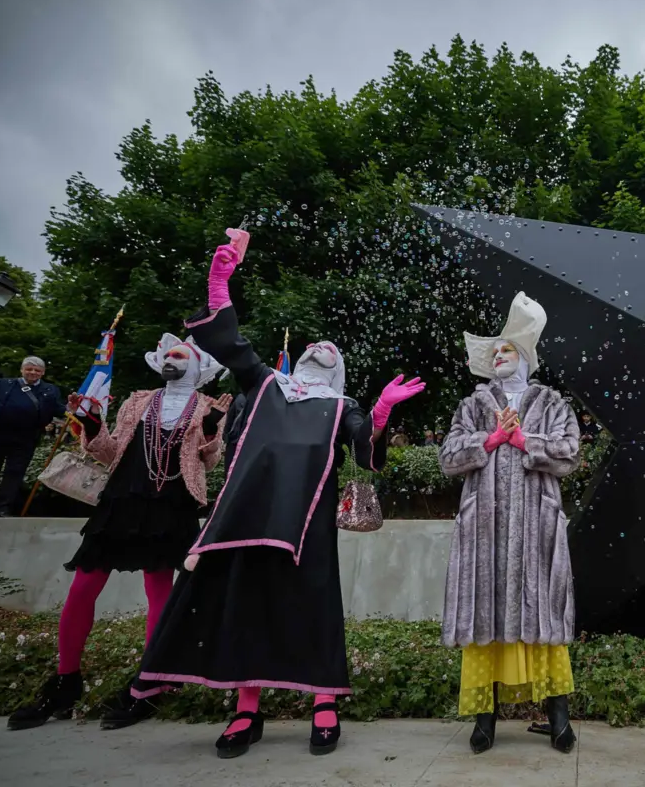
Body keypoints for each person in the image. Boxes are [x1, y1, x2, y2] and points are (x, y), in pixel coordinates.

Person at [130, 232, 425, 759]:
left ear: (338, 372)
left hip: (305, 523)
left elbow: (366, 450)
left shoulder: (341, 406)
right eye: (316, 345)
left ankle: (324, 703)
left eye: (329, 352)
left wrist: (379, 414)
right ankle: (246, 711)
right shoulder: (266, 384)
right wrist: (220, 282)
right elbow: (231, 346)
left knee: (312, 607)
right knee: (246, 608)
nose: (320, 348)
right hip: (247, 515)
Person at [6, 335, 229, 731]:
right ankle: (65, 679)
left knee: (158, 589)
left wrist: (210, 431)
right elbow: (109, 451)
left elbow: (209, 461)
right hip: (122, 498)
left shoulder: (209, 407)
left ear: (196, 367)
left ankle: (150, 681)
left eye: (180, 356)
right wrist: (91, 423)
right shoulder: (137, 400)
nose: (171, 361)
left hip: (170, 502)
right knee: (84, 586)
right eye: (168, 355)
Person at [439, 292, 581, 755]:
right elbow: (448, 458)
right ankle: (485, 720)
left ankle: (559, 718)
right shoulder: (473, 405)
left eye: (507, 350)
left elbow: (570, 453)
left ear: (525, 358)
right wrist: (492, 437)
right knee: (486, 618)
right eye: (494, 352)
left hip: (538, 529)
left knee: (545, 618)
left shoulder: (551, 402)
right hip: (485, 532)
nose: (499, 356)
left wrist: (524, 441)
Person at [0, 356, 65, 516]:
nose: (32, 372)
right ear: (22, 370)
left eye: (37, 370)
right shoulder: (3, 384)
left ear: (42, 373)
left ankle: (3, 508)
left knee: (14, 473)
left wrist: (76, 407)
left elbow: (60, 410)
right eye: (29, 368)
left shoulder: (51, 390)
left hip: (25, 438)